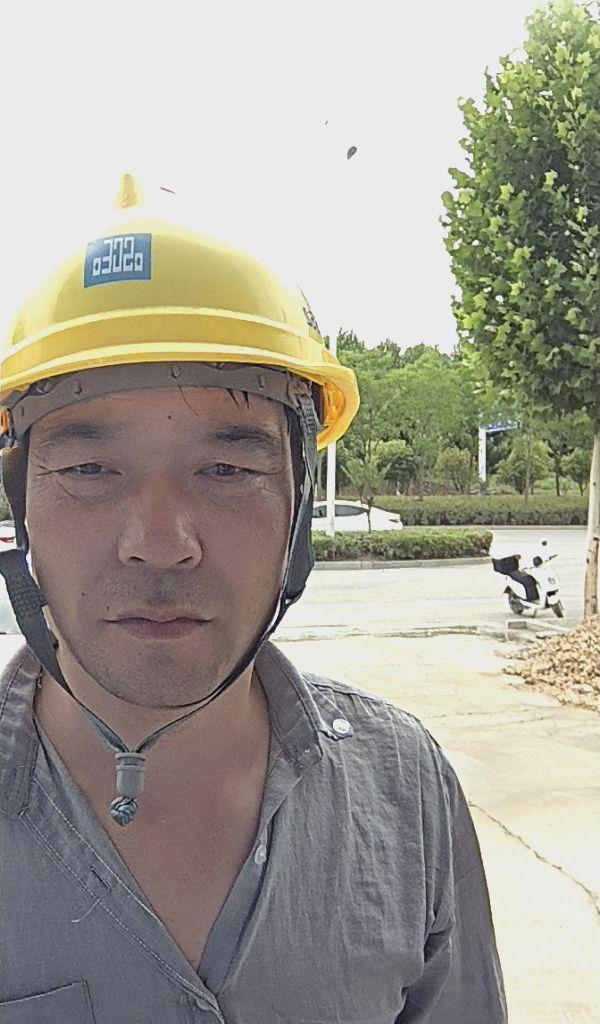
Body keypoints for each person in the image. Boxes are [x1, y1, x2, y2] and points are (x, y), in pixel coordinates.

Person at [0, 176, 507, 1023]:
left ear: (298, 506)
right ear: (21, 506)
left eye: (228, 468)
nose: (161, 542)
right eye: (89, 468)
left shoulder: (406, 791)